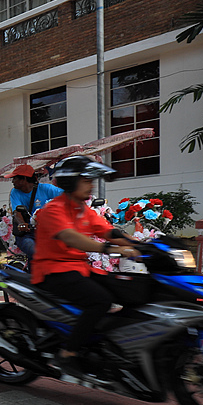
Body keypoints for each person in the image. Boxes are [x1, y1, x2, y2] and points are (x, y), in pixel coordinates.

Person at [32, 156, 145, 379]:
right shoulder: (53, 210)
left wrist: (139, 244)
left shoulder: (83, 210)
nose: (91, 185)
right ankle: (68, 353)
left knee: (128, 291)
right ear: (71, 182)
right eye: (86, 180)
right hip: (53, 272)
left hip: (79, 269)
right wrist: (111, 250)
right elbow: (71, 238)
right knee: (100, 300)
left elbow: (108, 231)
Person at [7, 164, 63, 260]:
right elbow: (17, 211)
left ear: (24, 179)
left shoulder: (47, 189)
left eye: (15, 178)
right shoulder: (15, 192)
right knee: (34, 250)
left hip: (48, 231)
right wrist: (22, 224)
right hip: (28, 233)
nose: (12, 181)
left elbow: (68, 196)